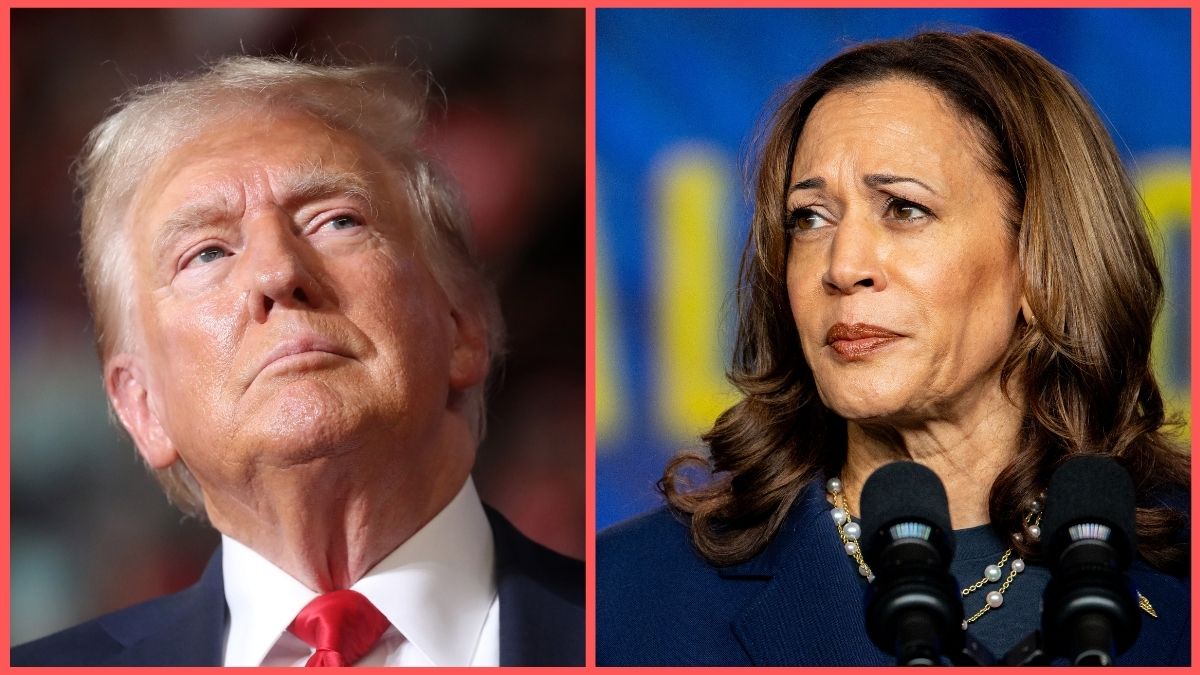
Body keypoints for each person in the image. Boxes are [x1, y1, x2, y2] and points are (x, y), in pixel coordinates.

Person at [597, 30, 1189, 666]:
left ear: (1041, 257)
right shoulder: (628, 595)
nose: (843, 265)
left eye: (904, 209)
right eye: (810, 218)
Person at [12, 56, 583, 667]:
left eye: (336, 220)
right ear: (141, 406)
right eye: (206, 254)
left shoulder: (630, 626)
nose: (279, 273)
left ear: (460, 327)